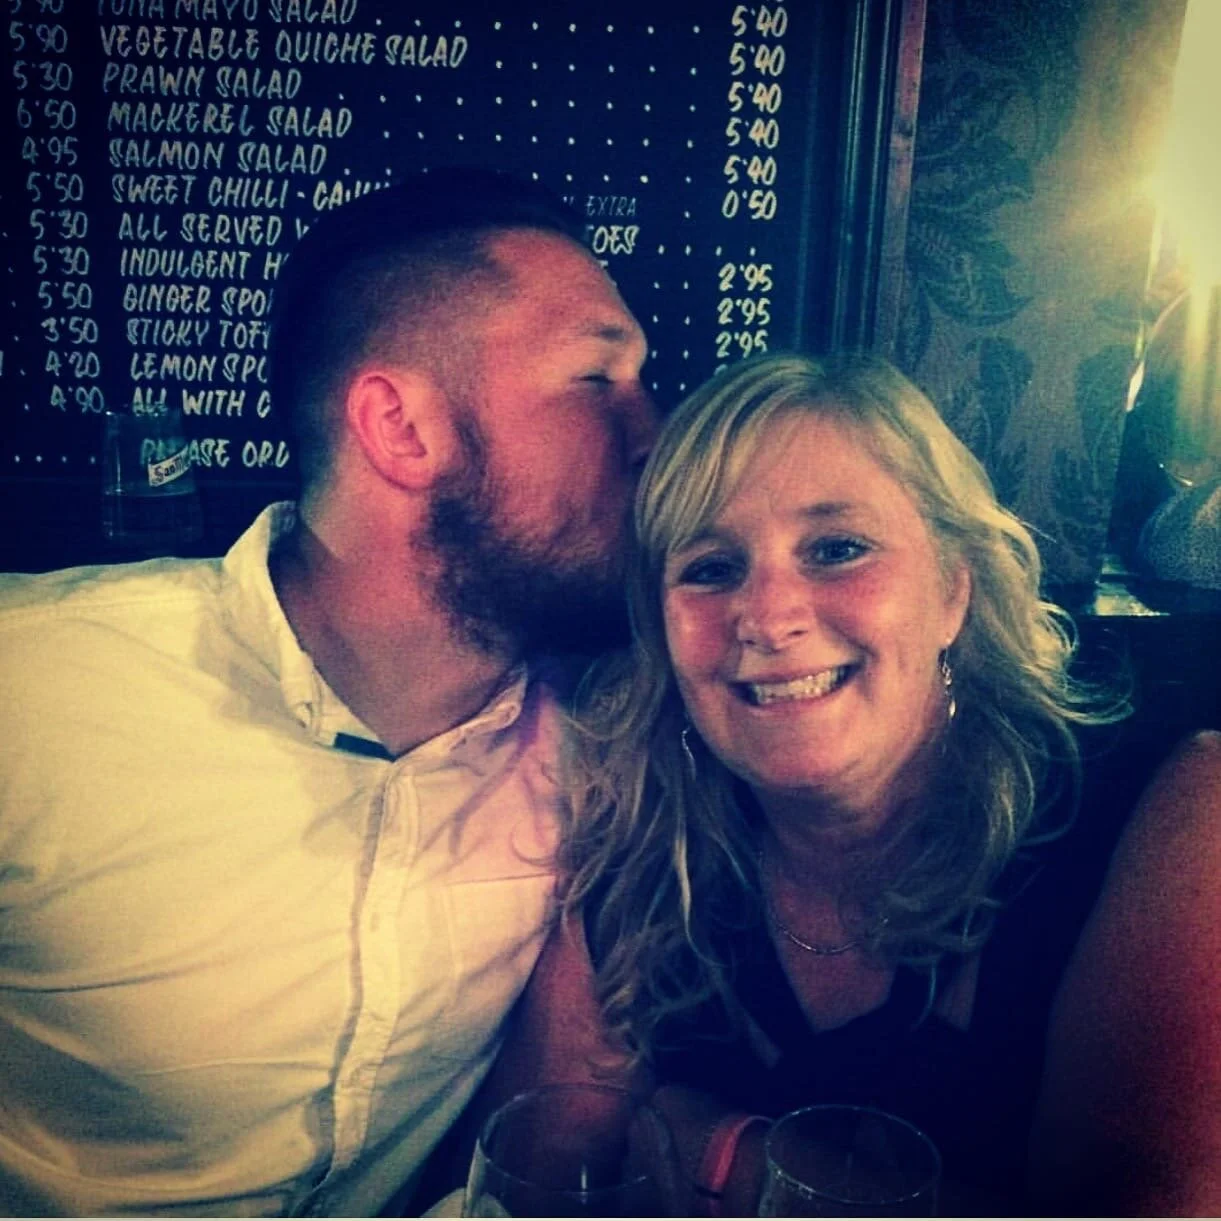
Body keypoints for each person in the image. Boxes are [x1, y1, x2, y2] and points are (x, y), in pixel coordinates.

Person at [0, 168, 657, 1215]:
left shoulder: (608, 744)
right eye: (596, 379)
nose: (656, 435)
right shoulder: (34, 684)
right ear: (401, 430)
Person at [477, 352, 1221, 1216]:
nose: (767, 617)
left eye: (837, 550)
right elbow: (524, 1183)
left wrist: (724, 1149)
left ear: (952, 589)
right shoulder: (643, 843)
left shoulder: (1169, 813)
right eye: (711, 567)